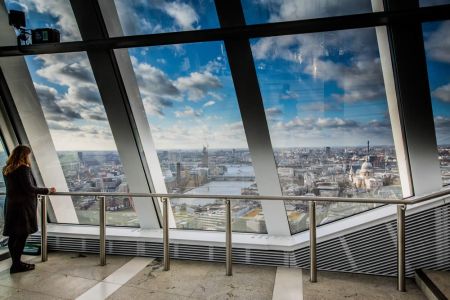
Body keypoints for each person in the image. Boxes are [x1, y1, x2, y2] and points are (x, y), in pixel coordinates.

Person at [2, 145, 55, 274]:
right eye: (28, 155)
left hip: (11, 205)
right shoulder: (23, 169)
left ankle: (16, 263)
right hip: (22, 207)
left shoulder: (6, 169)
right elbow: (29, 188)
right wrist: (48, 190)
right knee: (22, 234)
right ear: (25, 155)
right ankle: (16, 265)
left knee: (13, 235)